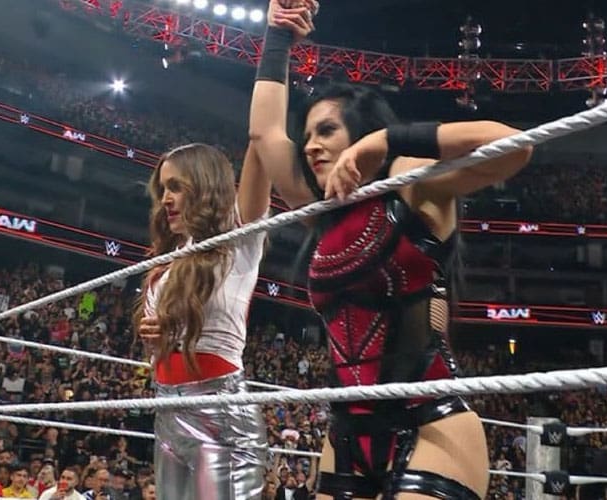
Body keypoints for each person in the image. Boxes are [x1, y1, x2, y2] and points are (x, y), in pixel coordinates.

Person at [248, 1, 534, 498]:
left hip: (431, 422)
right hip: (345, 431)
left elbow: (515, 145)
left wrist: (380, 144)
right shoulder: (322, 210)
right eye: (308, 135)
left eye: (327, 131)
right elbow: (264, 134)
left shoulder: (408, 181)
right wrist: (277, 36)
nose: (310, 145)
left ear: (360, 132)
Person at [132, 141, 273, 499]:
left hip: (218, 414)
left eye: (176, 187)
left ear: (204, 186)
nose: (166, 199)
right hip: (167, 411)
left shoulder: (237, 239)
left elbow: (261, 143)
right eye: (163, 188)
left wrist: (266, 111)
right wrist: (159, 337)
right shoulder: (174, 256)